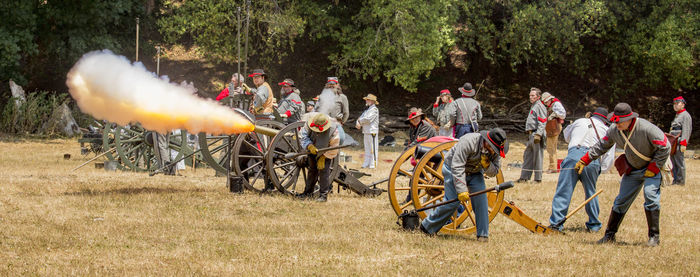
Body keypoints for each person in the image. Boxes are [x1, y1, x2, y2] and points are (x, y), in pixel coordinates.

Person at [575, 103, 670, 246]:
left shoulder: (646, 128)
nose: (616, 123)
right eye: (615, 120)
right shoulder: (614, 130)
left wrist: (654, 166)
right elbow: (602, 146)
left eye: (619, 121)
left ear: (629, 119)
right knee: (620, 201)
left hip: (652, 169)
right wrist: (585, 159)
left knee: (651, 197)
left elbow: (665, 146)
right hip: (633, 169)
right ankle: (609, 235)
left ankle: (654, 237)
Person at [419, 128, 508, 242]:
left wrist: (487, 165)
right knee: (452, 202)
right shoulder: (468, 141)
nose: (492, 151)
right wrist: (461, 190)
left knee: (481, 202)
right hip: (452, 169)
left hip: (475, 173)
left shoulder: (494, 151)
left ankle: (483, 235)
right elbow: (457, 166)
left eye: (495, 149)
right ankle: (427, 227)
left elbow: (494, 171)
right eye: (492, 147)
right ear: (486, 141)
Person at [548, 107, 614, 232]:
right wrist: (603, 168)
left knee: (563, 191)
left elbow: (567, 136)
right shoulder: (607, 130)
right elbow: (609, 155)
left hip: (574, 155)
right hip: (592, 159)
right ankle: (594, 224)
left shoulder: (579, 121)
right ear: (605, 121)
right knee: (591, 193)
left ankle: (556, 224)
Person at [298, 113, 340, 202]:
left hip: (326, 152)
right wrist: (309, 145)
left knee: (324, 172)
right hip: (312, 149)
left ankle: (323, 195)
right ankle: (308, 193)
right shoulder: (309, 123)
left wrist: (324, 156)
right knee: (312, 170)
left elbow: (334, 147)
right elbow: (303, 136)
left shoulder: (334, 131)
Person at [517, 87, 547, 183]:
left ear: (538, 97)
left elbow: (543, 121)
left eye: (533, 95)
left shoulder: (540, 106)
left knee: (537, 157)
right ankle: (524, 177)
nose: (531, 97)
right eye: (530, 95)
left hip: (536, 134)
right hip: (531, 134)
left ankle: (538, 179)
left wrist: (539, 134)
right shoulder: (534, 105)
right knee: (528, 156)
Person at [541, 92, 567, 173]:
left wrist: (554, 114)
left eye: (546, 102)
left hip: (554, 126)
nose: (546, 103)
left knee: (551, 147)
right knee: (552, 147)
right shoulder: (552, 104)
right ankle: (553, 166)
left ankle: (553, 167)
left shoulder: (556, 104)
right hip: (552, 126)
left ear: (550, 99)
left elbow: (563, 114)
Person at [669, 96, 691, 185]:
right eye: (674, 104)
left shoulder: (685, 115)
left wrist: (683, 143)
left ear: (683, 104)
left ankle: (680, 181)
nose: (675, 106)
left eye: (677, 103)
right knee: (673, 162)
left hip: (679, 141)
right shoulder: (678, 115)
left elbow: (686, 129)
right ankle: (675, 180)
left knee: (679, 162)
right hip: (674, 141)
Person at [356, 94, 379, 169]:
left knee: (373, 149)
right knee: (367, 149)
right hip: (366, 131)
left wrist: (360, 121)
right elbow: (360, 118)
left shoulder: (375, 110)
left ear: (372, 101)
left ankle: (373, 164)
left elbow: (368, 119)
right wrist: (358, 122)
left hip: (372, 131)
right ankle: (366, 163)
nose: (366, 101)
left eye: (368, 99)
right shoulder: (367, 110)